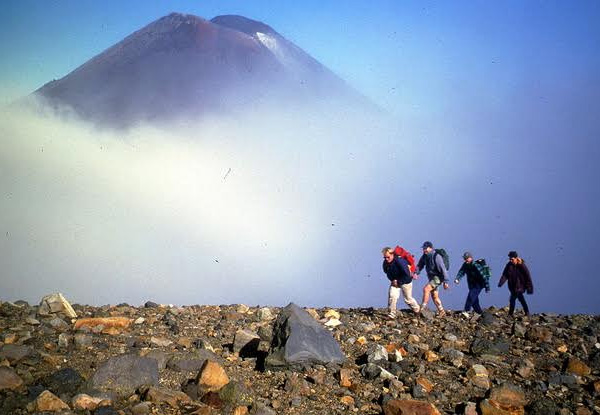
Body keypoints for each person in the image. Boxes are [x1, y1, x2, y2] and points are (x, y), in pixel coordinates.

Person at [382, 247, 420, 318]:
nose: (386, 259)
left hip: (406, 281)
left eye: (388, 257)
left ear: (392, 254)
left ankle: (417, 310)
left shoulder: (400, 261)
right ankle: (392, 314)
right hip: (395, 281)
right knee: (392, 296)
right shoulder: (385, 263)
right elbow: (387, 272)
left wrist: (399, 282)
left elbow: (407, 275)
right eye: (385, 257)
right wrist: (393, 280)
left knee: (408, 299)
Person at [416, 241, 449, 316]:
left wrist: (446, 281)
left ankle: (422, 308)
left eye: (425, 248)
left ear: (430, 248)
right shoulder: (424, 256)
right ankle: (442, 311)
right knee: (434, 295)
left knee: (426, 289)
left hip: (438, 277)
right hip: (431, 278)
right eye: (423, 248)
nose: (424, 250)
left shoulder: (436, 256)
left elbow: (443, 269)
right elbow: (420, 265)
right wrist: (416, 273)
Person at [498, 251, 533, 316]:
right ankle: (527, 312)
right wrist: (501, 282)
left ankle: (510, 314)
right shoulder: (509, 265)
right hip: (512, 286)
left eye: (512, 259)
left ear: (516, 258)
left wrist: (529, 288)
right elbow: (505, 275)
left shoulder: (522, 265)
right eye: (510, 259)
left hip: (520, 286)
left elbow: (528, 276)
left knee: (512, 299)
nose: (511, 260)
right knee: (521, 299)